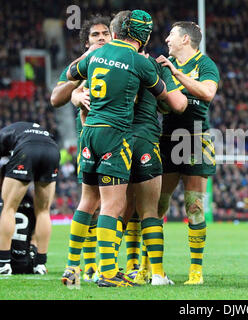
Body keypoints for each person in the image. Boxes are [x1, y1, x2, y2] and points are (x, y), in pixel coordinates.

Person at [62, 9, 169, 288]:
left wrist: (75, 92)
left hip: (88, 131)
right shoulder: (137, 60)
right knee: (114, 204)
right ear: (140, 34)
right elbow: (166, 98)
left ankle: (72, 268)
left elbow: (72, 75)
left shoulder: (93, 56)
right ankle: (107, 272)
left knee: (87, 201)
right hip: (115, 135)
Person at [106, 10, 187, 286]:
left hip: (116, 140)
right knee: (149, 211)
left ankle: (107, 268)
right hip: (145, 139)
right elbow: (177, 104)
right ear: (145, 36)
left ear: (116, 34)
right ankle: (157, 274)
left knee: (116, 209)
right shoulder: (153, 64)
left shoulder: (108, 60)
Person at [156, 21, 220, 285]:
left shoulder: (205, 65)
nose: (167, 39)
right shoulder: (162, 66)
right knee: (157, 205)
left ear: (185, 39)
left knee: (193, 206)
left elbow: (206, 93)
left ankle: (196, 272)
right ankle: (153, 268)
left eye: (171, 35)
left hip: (195, 139)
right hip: (167, 138)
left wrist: (176, 74)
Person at [52, 14, 112, 282]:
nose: (101, 38)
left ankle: (111, 264)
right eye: (95, 35)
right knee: (93, 203)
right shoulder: (80, 64)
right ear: (86, 41)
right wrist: (75, 92)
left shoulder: (121, 61)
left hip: (119, 138)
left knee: (112, 205)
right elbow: (56, 98)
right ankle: (88, 266)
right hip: (89, 140)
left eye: (105, 33)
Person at [0, 122, 60, 275]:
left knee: (8, 208)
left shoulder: (3, 135)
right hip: (52, 150)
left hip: (27, 150)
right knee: (43, 211)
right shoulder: (30, 129)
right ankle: (40, 264)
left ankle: (4, 263)